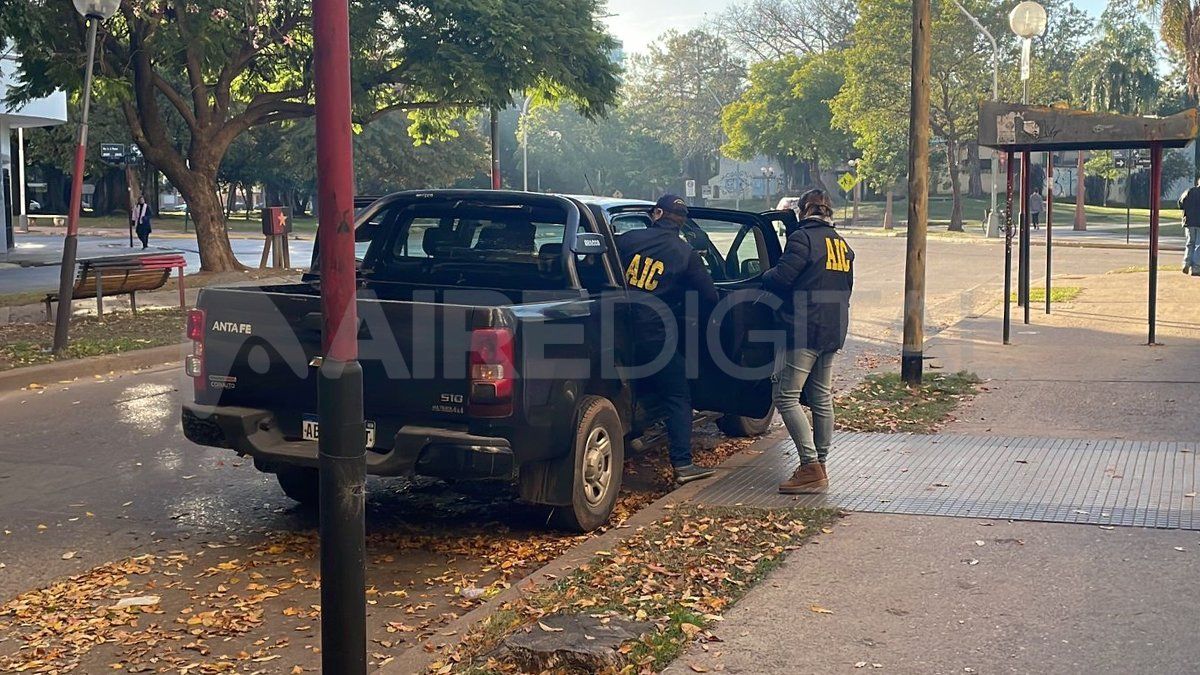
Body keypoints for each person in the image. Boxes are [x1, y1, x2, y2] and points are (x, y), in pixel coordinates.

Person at [616, 194, 720, 484]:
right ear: (682, 221)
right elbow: (710, 296)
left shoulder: (626, 239)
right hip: (652, 334)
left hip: (612, 330)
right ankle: (683, 465)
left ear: (657, 213)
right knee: (677, 394)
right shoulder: (686, 253)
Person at [762, 189, 854, 494]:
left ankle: (810, 465)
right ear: (828, 212)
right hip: (832, 327)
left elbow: (782, 278)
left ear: (803, 211)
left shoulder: (803, 239)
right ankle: (820, 464)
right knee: (820, 397)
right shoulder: (841, 244)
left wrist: (763, 275)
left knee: (786, 396)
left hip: (804, 328)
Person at [1178, 179, 1200, 275]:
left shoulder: (1189, 191)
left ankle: (1186, 263)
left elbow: (1180, 203)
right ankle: (1195, 267)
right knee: (1198, 245)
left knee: (1190, 243)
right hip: (1199, 223)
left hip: (1189, 221)